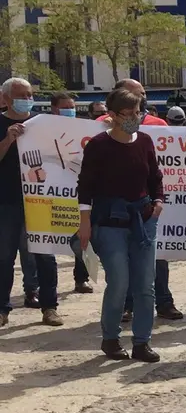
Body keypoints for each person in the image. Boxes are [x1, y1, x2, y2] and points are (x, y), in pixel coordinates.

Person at [76, 86, 164, 362]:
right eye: (128, 113)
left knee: (145, 285)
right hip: (110, 223)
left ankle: (142, 342)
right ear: (112, 115)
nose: (134, 118)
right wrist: (85, 222)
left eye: (138, 112)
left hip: (143, 221)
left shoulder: (145, 141)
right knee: (119, 282)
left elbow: (155, 176)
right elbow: (85, 185)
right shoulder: (98, 145)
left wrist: (158, 201)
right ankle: (111, 338)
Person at [99, 80, 183, 323]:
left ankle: (163, 302)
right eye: (136, 95)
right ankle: (126, 306)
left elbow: (158, 168)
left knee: (157, 259)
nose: (142, 99)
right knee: (122, 262)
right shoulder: (100, 126)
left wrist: (158, 199)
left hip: (146, 206)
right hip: (116, 209)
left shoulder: (158, 124)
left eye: (143, 94)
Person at [0, 78, 60, 327]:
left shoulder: (41, 124)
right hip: (7, 201)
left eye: (29, 95)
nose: (27, 99)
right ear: (6, 98)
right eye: (21, 95)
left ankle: (50, 307)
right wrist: (7, 140)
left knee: (45, 255)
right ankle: (2, 309)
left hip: (40, 201)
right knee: (5, 256)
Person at [49, 91, 94, 294]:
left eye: (72, 107)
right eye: (65, 107)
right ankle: (41, 286)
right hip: (49, 193)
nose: (70, 111)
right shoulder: (41, 128)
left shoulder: (84, 128)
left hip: (76, 193)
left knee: (80, 237)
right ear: (54, 109)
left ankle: (81, 278)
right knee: (46, 241)